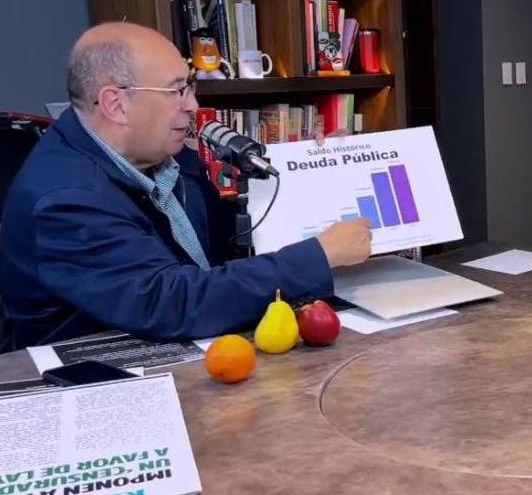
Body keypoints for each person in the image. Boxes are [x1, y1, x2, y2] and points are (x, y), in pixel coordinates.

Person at [0, 22, 373, 351]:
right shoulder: (66, 200)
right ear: (115, 104)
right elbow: (172, 302)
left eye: (189, 86)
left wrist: (316, 172)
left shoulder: (160, 157)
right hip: (95, 380)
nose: (193, 105)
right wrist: (317, 257)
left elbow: (227, 247)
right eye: (176, 91)